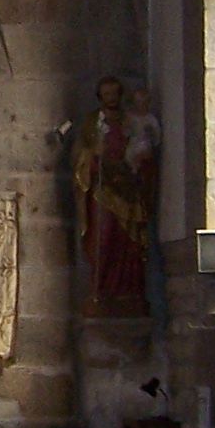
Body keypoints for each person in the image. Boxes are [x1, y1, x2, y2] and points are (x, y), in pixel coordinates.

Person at [70, 77, 149, 316]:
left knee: (127, 244)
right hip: (101, 191)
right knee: (102, 240)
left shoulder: (130, 119)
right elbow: (78, 156)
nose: (111, 98)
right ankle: (100, 291)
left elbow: (143, 146)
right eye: (106, 94)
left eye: (115, 93)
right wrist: (93, 155)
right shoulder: (91, 122)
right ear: (100, 96)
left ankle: (127, 294)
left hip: (126, 188)